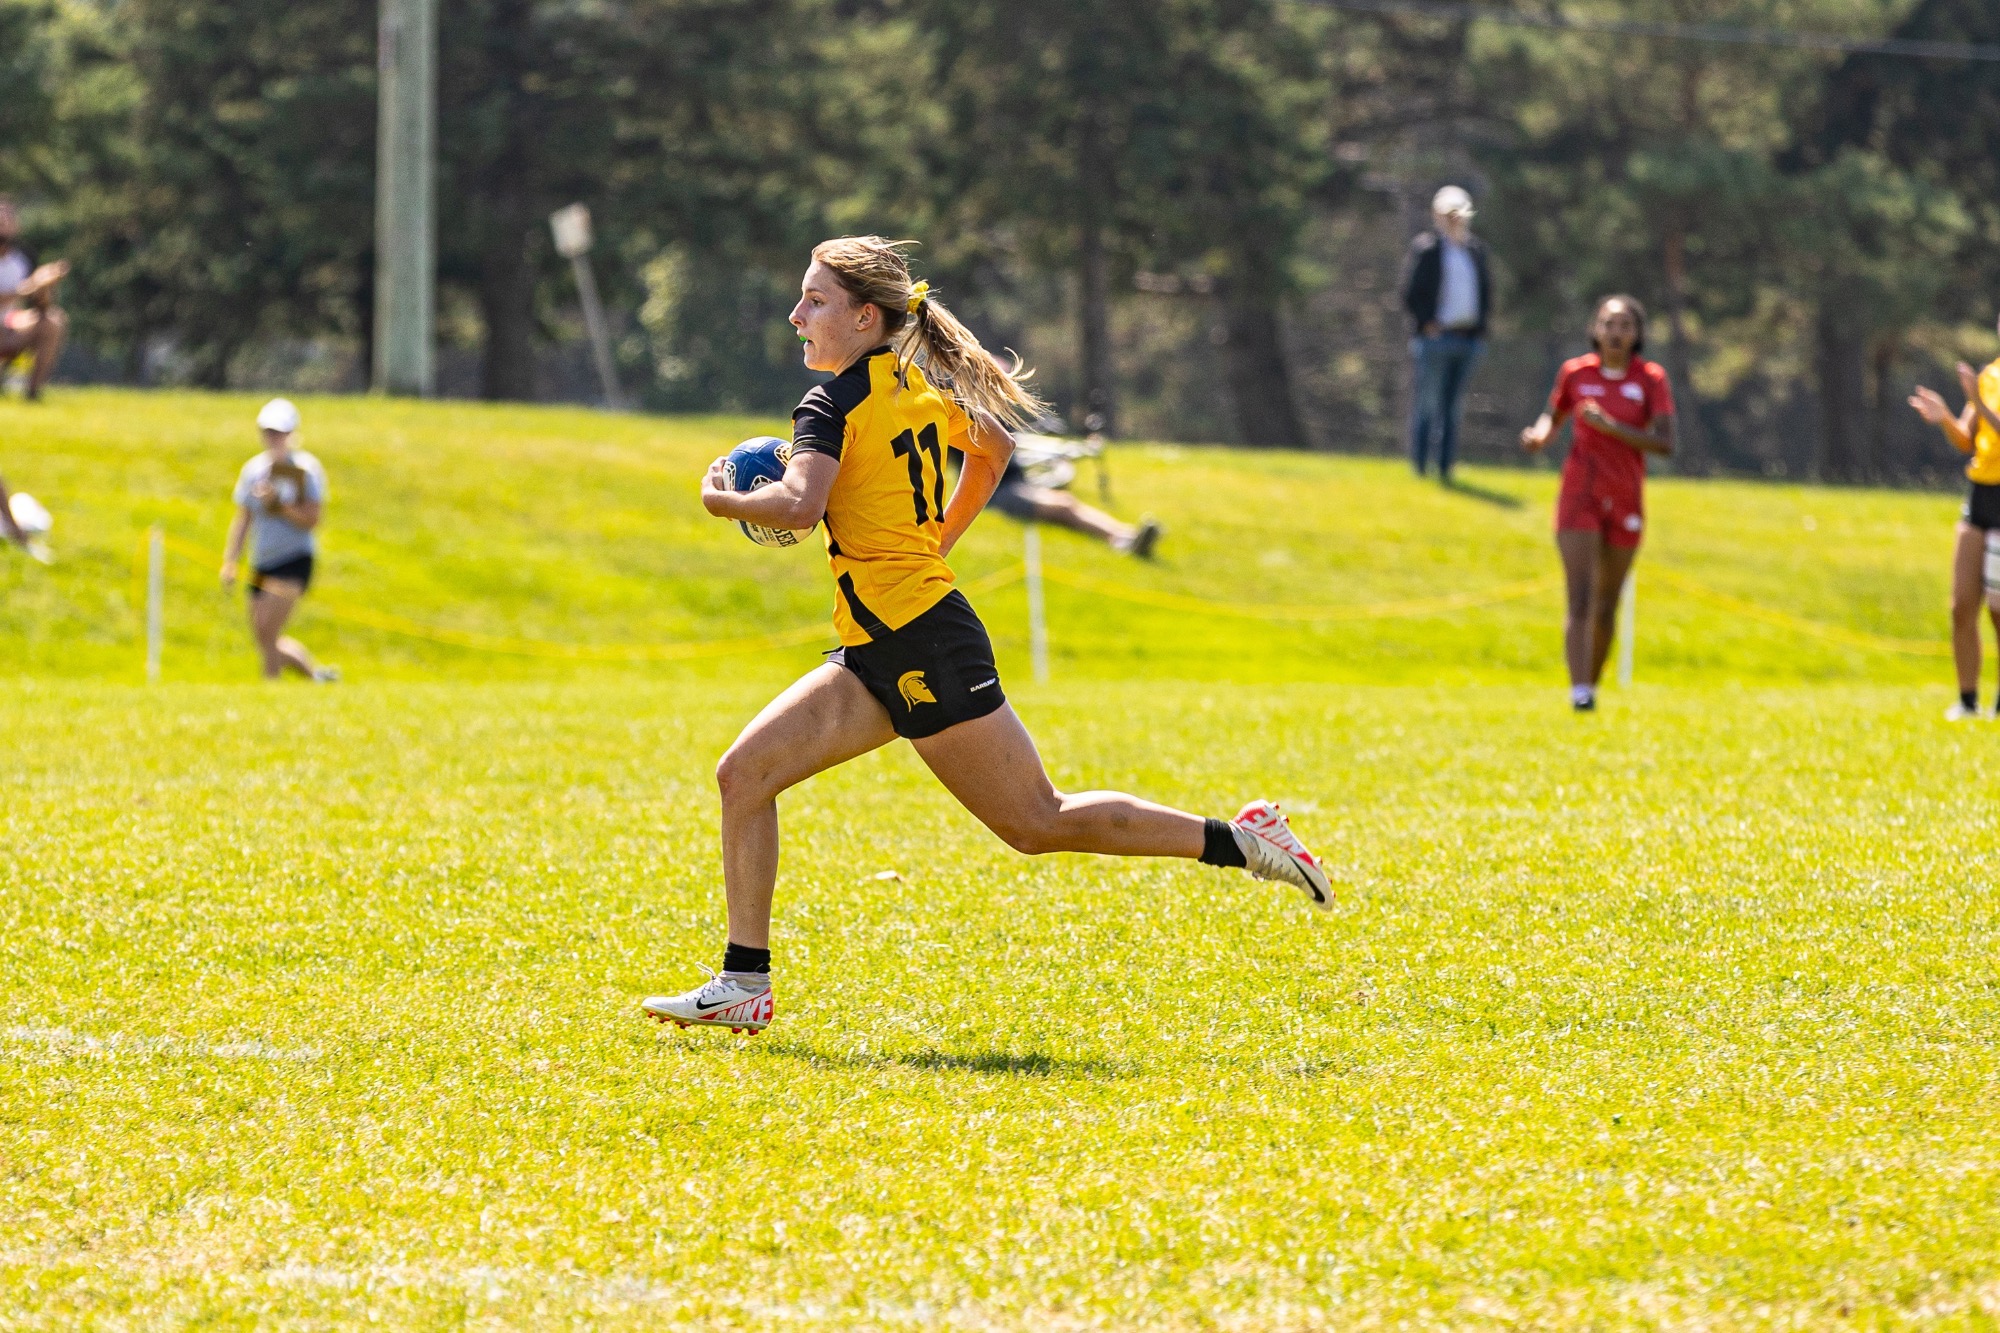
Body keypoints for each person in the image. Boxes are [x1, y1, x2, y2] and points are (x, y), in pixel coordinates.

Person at [641, 236, 1331, 1035]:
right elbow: (995, 448)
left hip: (923, 645)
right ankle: (744, 981)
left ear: (866, 316)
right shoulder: (911, 379)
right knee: (744, 774)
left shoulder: (829, 406)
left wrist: (722, 502)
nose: (798, 315)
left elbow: (798, 506)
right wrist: (940, 537)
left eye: (816, 301)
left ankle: (1242, 840)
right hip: (884, 647)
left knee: (1038, 822)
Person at [1520, 296, 1675, 712]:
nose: (1616, 332)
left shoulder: (1651, 379)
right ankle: (1579, 692)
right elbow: (1551, 419)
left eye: (1625, 325)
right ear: (1596, 328)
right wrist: (1537, 437)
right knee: (1581, 597)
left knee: (1608, 601)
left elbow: (1665, 443)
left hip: (1625, 495)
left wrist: (1613, 428)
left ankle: (1592, 682)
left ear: (1637, 334)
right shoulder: (1575, 373)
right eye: (1609, 323)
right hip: (1579, 495)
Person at [1908, 320, 2000, 719]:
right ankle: (1967, 701)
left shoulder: (1982, 388)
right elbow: (1966, 438)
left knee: (1999, 609)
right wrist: (1946, 415)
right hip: (1979, 494)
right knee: (1962, 605)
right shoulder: (1990, 376)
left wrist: (1977, 402)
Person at [220, 398, 339, 683]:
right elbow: (243, 519)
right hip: (263, 560)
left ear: (291, 434)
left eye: (279, 432)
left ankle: (270, 687)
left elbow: (313, 519)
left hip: (294, 558)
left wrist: (279, 504)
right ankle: (316, 677)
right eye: (269, 432)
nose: (273, 438)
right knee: (264, 636)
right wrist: (231, 560)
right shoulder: (253, 471)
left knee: (268, 631)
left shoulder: (307, 470)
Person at [1401, 185, 1492, 482]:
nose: (1454, 219)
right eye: (1448, 213)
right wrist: (1427, 322)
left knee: (1453, 408)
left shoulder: (1475, 250)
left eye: (1458, 213)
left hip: (1468, 339)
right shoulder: (1427, 249)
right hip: (1436, 339)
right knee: (1428, 404)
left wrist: (1480, 330)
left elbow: (1486, 292)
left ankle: (1445, 467)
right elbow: (1411, 293)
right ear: (1437, 215)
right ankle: (1420, 466)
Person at [976, 432, 1162, 558]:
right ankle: (1122, 540)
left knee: (1066, 501)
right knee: (1063, 508)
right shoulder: (965, 416)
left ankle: (1126, 534)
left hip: (1018, 484)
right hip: (997, 492)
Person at [0, 197, 68, 401]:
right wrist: (30, 286)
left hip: (9, 324)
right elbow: (25, 290)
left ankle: (33, 392)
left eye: (8, 217)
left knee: (53, 321)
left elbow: (40, 305)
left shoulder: (23, 257)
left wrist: (45, 286)